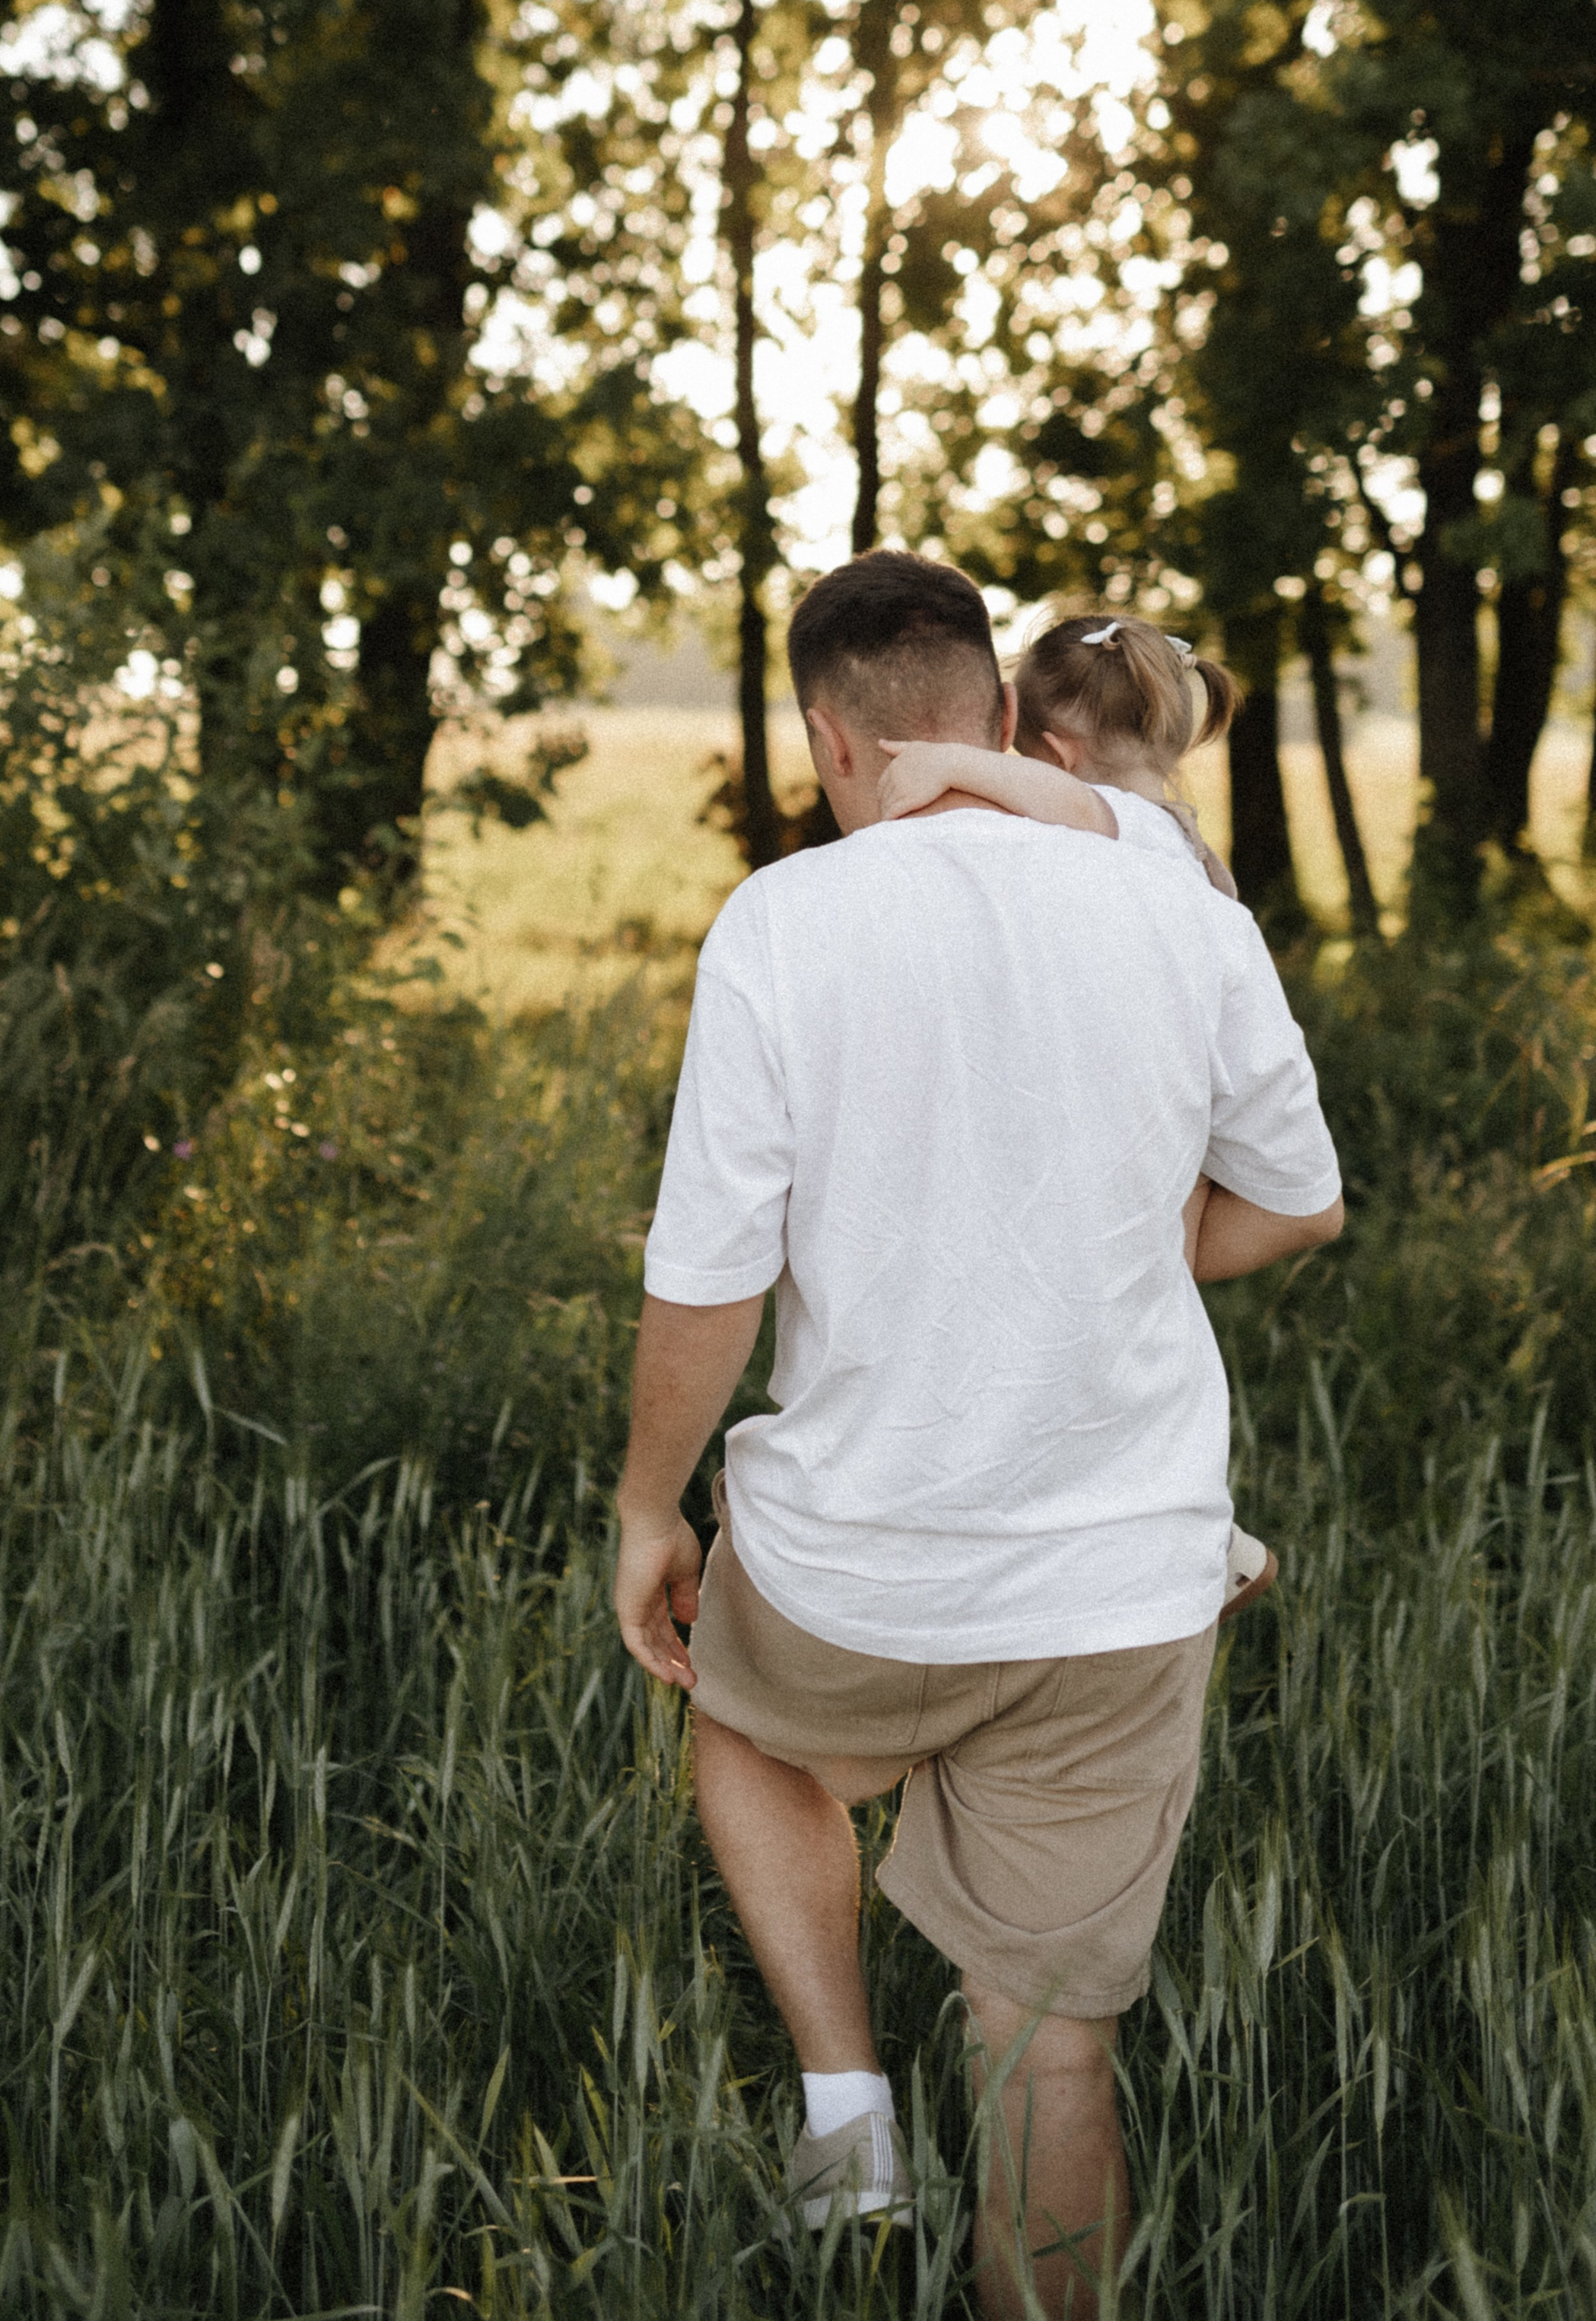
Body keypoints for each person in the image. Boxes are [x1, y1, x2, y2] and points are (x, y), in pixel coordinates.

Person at [611, 551, 1342, 2319]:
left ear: (819, 736)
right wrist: (1162, 1253)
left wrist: (648, 1504)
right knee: (1049, 2052)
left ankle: (845, 2104)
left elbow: (710, 1273)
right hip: (1116, 1584)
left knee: (729, 1689)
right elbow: (1300, 1202)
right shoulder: (1181, 905)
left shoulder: (785, 922)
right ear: (1002, 720)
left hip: (855, 1573)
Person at [875, 609, 1278, 1624]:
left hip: (1150, 1151)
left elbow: (1083, 809)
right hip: (1158, 1135)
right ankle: (1202, 1538)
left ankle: (1203, 1540)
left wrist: (939, 762)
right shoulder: (1187, 862)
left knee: (1085, 1330)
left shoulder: (1144, 838)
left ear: (1052, 752)